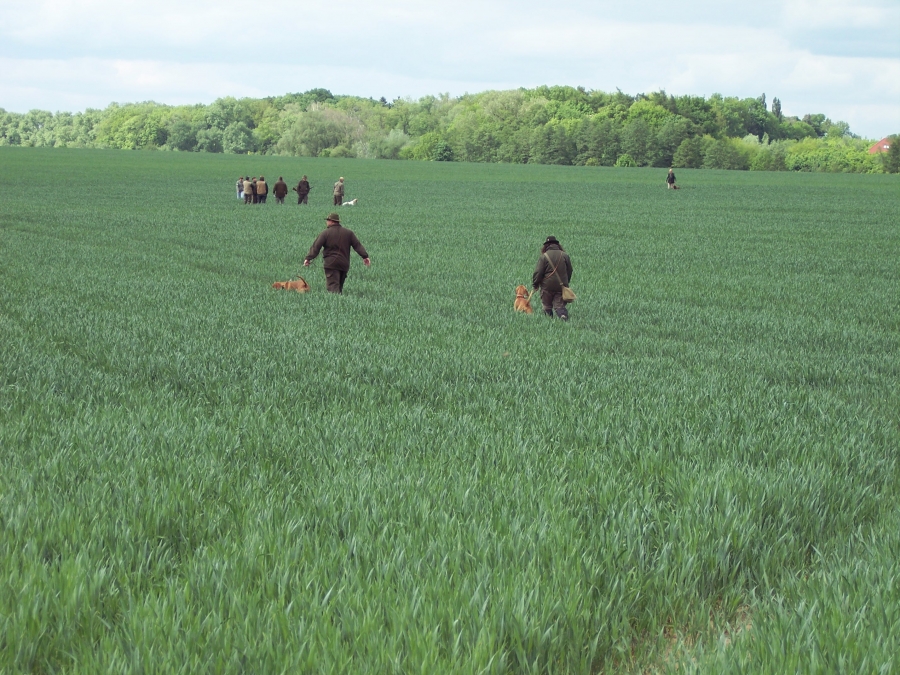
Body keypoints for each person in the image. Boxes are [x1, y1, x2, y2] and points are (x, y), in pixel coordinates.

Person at [303, 212, 370, 294]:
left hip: (331, 264)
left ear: (331, 221)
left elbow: (316, 247)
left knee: (333, 289)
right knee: (339, 288)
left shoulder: (325, 233)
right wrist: (365, 256)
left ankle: (335, 301)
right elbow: (357, 246)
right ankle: (340, 300)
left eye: (327, 220)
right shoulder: (349, 233)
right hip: (344, 264)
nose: (326, 222)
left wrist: (308, 258)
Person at [532, 236, 573, 320]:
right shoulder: (565, 255)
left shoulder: (544, 257)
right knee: (559, 305)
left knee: (547, 305)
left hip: (547, 285)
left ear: (546, 245)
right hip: (561, 285)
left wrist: (535, 284)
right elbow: (570, 270)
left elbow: (538, 272)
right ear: (557, 245)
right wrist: (565, 282)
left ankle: (548, 320)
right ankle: (563, 315)